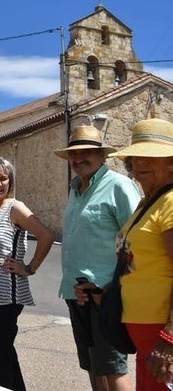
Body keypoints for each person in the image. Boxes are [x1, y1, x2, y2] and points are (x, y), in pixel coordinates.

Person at [55, 125, 140, 391]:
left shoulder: (119, 186)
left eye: (87, 152)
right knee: (93, 365)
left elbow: (137, 242)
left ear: (103, 155)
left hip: (107, 294)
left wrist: (114, 290)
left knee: (113, 368)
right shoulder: (76, 188)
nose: (79, 158)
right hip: (78, 292)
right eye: (74, 153)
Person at [0, 156, 55, 391]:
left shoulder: (15, 208)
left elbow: (46, 236)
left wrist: (29, 268)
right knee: (4, 354)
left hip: (6, 298)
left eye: (3, 179)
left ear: (10, 182)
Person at [106, 118, 173, 390]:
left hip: (160, 330)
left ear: (171, 163)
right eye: (137, 156)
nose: (141, 162)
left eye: (152, 157)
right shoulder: (148, 202)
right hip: (144, 329)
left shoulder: (170, 201)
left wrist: (169, 336)